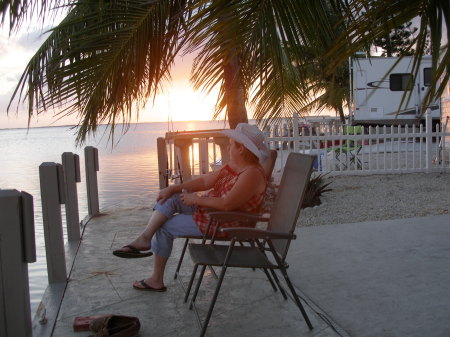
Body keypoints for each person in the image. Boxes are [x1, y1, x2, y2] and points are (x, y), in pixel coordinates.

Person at [113, 123, 269, 292]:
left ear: (241, 149)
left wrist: (195, 199)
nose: (229, 147)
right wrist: (173, 188)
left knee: (164, 227)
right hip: (210, 214)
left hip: (224, 223)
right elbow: (204, 181)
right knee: (171, 198)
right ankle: (144, 238)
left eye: (231, 145)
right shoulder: (234, 166)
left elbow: (227, 204)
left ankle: (156, 280)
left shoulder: (252, 174)